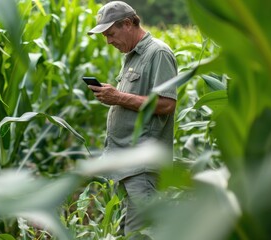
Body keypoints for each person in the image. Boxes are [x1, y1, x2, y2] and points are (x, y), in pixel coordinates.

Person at [87, 1, 177, 239]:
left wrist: (117, 97)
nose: (108, 41)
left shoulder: (158, 53)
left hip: (143, 165)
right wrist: (116, 97)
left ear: (127, 24)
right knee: (129, 232)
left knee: (140, 234)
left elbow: (167, 104)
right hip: (128, 164)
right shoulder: (132, 55)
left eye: (111, 34)